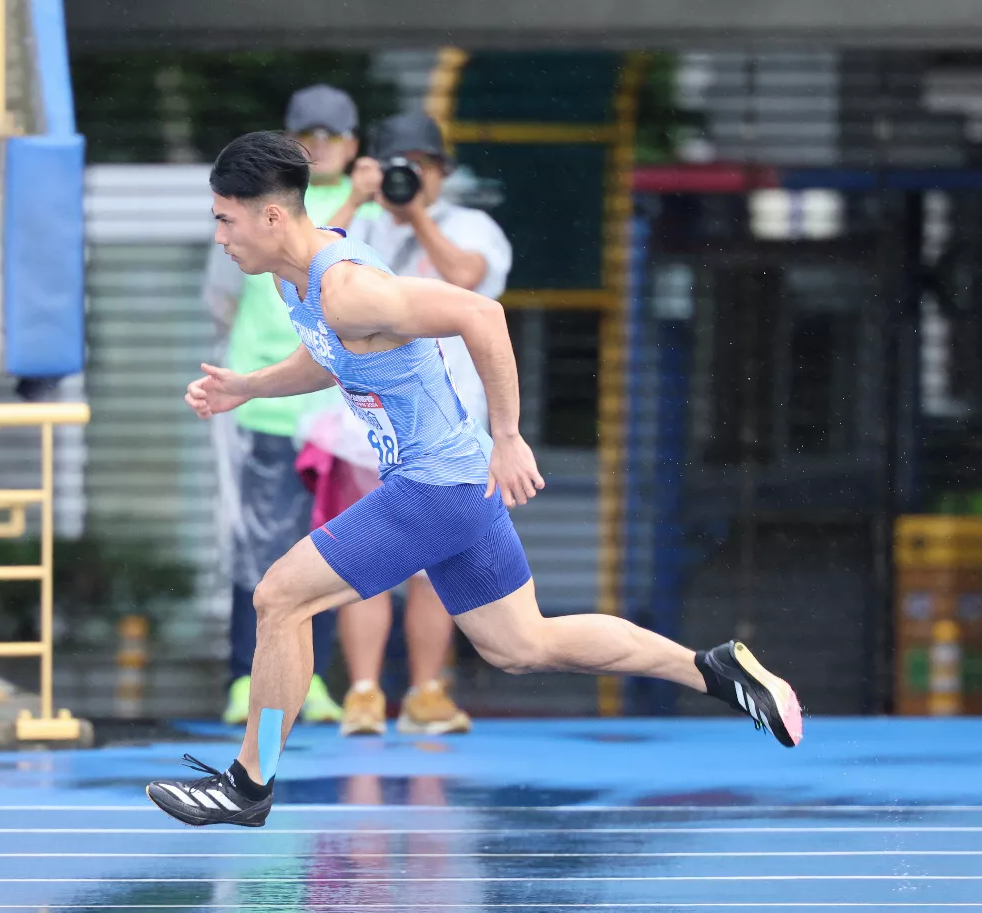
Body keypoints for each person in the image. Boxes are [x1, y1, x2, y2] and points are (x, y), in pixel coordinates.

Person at [146, 131, 803, 828]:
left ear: (271, 216)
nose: (219, 237)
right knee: (522, 645)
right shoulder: (296, 281)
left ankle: (248, 784)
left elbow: (480, 313)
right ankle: (714, 669)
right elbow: (329, 353)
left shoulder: (348, 287)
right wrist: (249, 385)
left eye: (225, 220)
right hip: (456, 488)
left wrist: (510, 438)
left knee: (280, 597)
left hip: (434, 487)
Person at [299, 112, 512, 736]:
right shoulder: (355, 225)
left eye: (422, 166)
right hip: (365, 431)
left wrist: (415, 213)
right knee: (361, 564)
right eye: (399, 166)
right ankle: (363, 693)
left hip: (447, 430)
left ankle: (424, 691)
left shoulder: (472, 226)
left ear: (443, 171)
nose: (410, 177)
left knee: (431, 570)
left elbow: (469, 280)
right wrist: (356, 196)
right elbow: (306, 268)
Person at [204, 85, 381, 726]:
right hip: (266, 409)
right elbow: (221, 297)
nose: (321, 146)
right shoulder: (256, 202)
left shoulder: (372, 206)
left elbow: (351, 264)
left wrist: (364, 197)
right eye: (308, 135)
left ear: (355, 143)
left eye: (333, 136)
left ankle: (313, 681)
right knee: (256, 544)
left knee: (329, 549)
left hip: (338, 415)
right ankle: (243, 677)